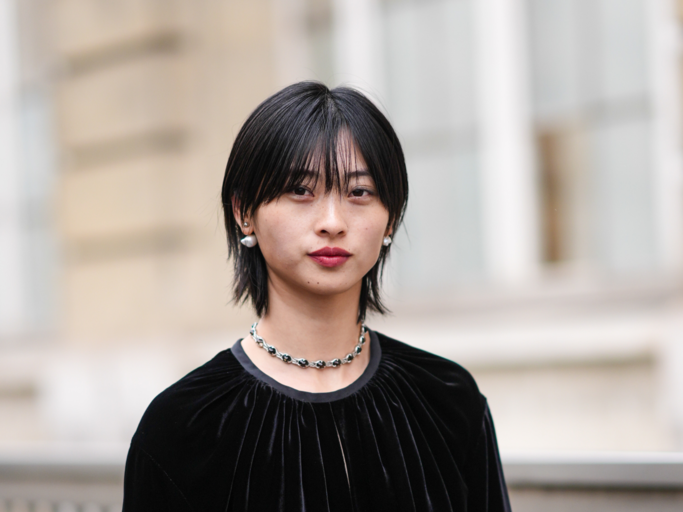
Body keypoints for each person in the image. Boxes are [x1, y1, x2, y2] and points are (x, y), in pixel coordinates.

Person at [122, 82, 511, 512]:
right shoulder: (184, 426)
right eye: (301, 190)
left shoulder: (448, 401)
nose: (332, 221)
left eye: (359, 192)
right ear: (243, 212)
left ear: (391, 219)